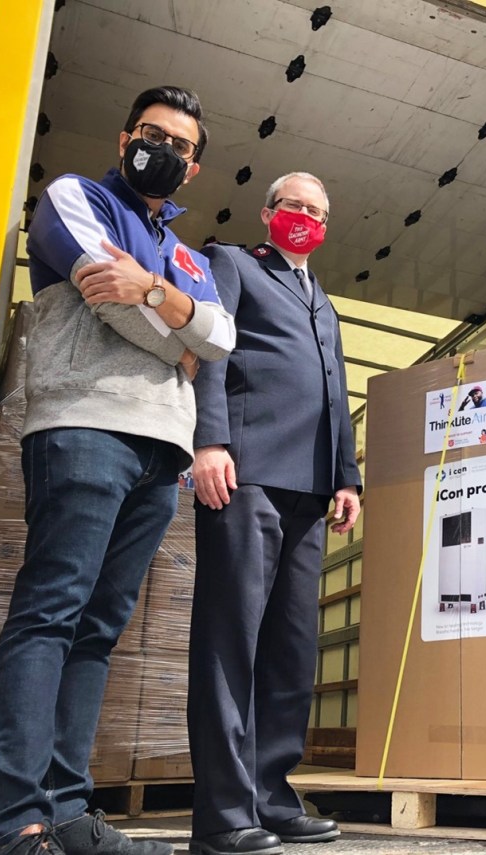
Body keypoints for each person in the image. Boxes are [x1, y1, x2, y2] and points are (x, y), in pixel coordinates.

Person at [0, 85, 236, 855]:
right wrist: (179, 332)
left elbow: (222, 335)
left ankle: (66, 810)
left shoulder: (189, 253)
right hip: (83, 426)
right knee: (50, 614)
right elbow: (107, 294)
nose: (161, 148)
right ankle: (16, 821)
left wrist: (154, 288)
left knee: (97, 631)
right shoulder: (74, 196)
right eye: (150, 133)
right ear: (126, 134)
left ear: (192, 169)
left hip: (161, 453)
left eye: (178, 145)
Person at [188, 172, 361, 854]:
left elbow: (335, 391)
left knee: (291, 649)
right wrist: (209, 438)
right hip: (248, 472)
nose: (305, 218)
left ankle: (271, 794)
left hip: (311, 489)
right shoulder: (232, 263)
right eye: (294, 206)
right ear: (267, 213)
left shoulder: (324, 301)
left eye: (317, 211)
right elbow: (210, 351)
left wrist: (347, 478)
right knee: (232, 638)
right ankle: (224, 812)